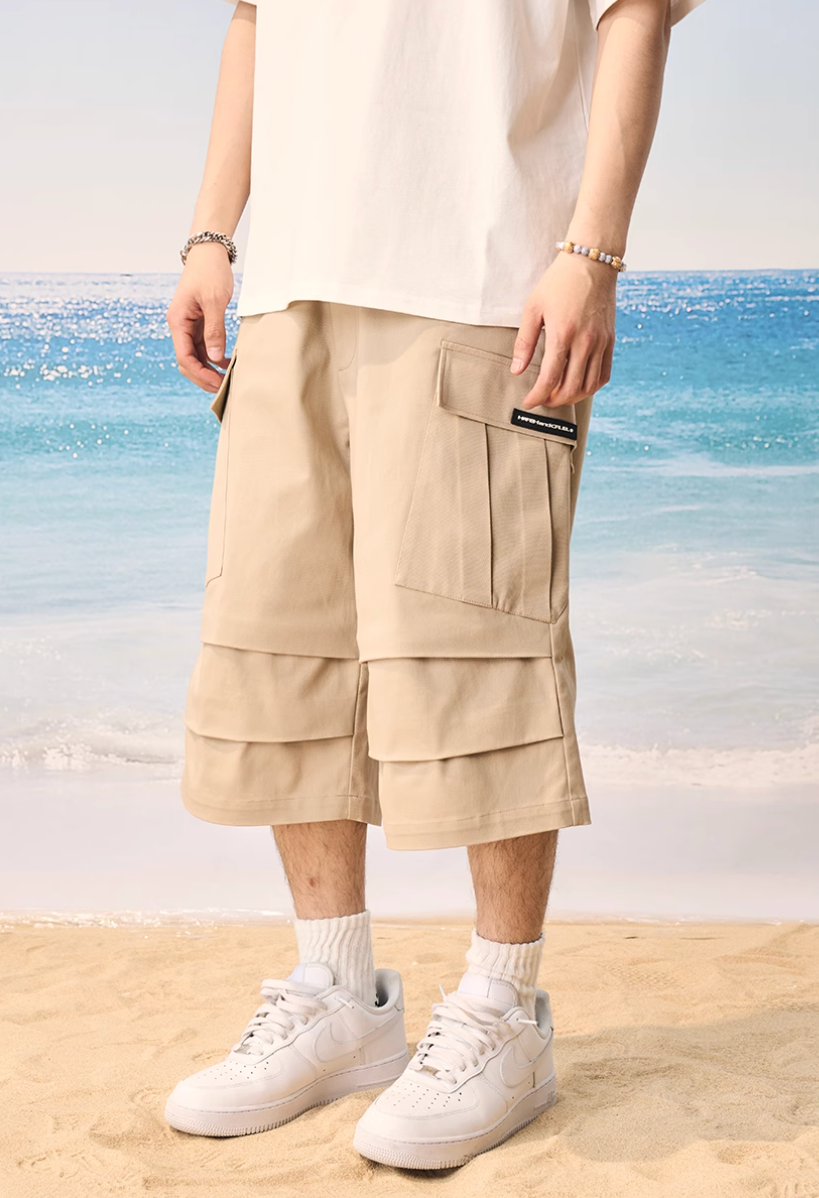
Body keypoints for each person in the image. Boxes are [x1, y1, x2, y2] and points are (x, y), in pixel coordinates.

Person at [163, 0, 705, 1170]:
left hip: (484, 274)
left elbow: (639, 11)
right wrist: (211, 232)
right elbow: (254, 17)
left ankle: (504, 1006)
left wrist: (592, 251)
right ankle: (336, 994)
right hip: (292, 281)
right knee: (282, 644)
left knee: (477, 654)